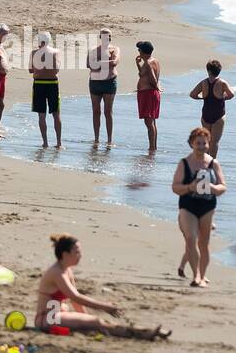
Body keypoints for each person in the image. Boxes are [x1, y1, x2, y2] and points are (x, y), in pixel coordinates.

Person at [36, 234, 170, 339]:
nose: (80, 256)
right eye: (76, 252)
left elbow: (75, 299)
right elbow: (75, 297)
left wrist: (85, 316)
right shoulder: (57, 273)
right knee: (97, 323)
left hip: (57, 314)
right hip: (48, 319)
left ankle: (146, 331)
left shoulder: (67, 270)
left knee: (94, 323)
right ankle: (145, 333)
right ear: (65, 254)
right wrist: (104, 306)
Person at [171, 127, 226, 287]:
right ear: (191, 144)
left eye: (204, 143)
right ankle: (196, 276)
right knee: (190, 239)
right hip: (188, 205)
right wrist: (190, 187)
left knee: (203, 243)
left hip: (207, 206)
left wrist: (213, 188)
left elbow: (223, 187)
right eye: (198, 143)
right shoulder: (185, 163)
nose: (201, 146)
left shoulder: (213, 163)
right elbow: (175, 187)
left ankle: (202, 276)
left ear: (208, 144)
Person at [189, 60, 235, 157]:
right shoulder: (222, 83)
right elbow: (231, 94)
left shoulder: (203, 83)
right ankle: (212, 164)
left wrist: (203, 97)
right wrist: (222, 99)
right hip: (218, 116)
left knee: (206, 141)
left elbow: (193, 94)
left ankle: (204, 161)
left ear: (208, 71)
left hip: (206, 114)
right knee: (214, 142)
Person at [87, 28, 119, 147]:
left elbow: (115, 62)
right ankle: (96, 139)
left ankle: (109, 140)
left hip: (109, 82)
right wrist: (106, 62)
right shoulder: (93, 50)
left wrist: (98, 63)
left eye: (109, 36)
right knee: (96, 111)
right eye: (105, 36)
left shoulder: (115, 49)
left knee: (108, 111)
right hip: (95, 83)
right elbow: (89, 65)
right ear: (100, 37)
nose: (108, 38)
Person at [29, 31, 62, 148]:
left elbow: (30, 70)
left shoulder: (34, 53)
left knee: (41, 115)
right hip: (52, 83)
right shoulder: (56, 52)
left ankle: (45, 143)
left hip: (39, 83)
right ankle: (58, 143)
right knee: (56, 114)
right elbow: (56, 69)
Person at [135, 40, 161, 153]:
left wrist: (156, 86)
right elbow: (143, 74)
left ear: (143, 51)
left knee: (149, 122)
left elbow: (153, 79)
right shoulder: (153, 61)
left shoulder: (149, 63)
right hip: (149, 93)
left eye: (139, 50)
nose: (138, 51)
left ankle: (152, 148)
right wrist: (138, 64)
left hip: (148, 94)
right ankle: (153, 147)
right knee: (152, 122)